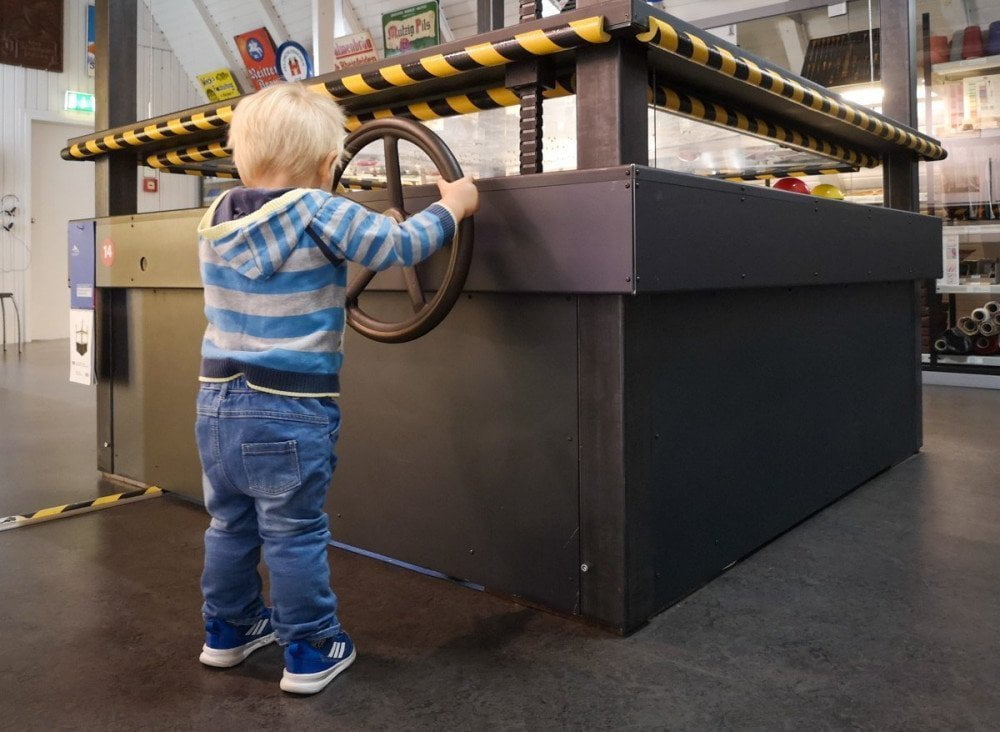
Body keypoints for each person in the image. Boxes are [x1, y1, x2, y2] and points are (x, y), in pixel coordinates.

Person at [193, 82, 478, 695]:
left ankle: (228, 631)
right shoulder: (322, 211)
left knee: (229, 524)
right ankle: (311, 646)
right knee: (294, 530)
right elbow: (401, 245)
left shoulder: (216, 219)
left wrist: (373, 224)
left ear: (241, 154)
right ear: (328, 165)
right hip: (289, 407)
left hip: (216, 405)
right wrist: (454, 206)